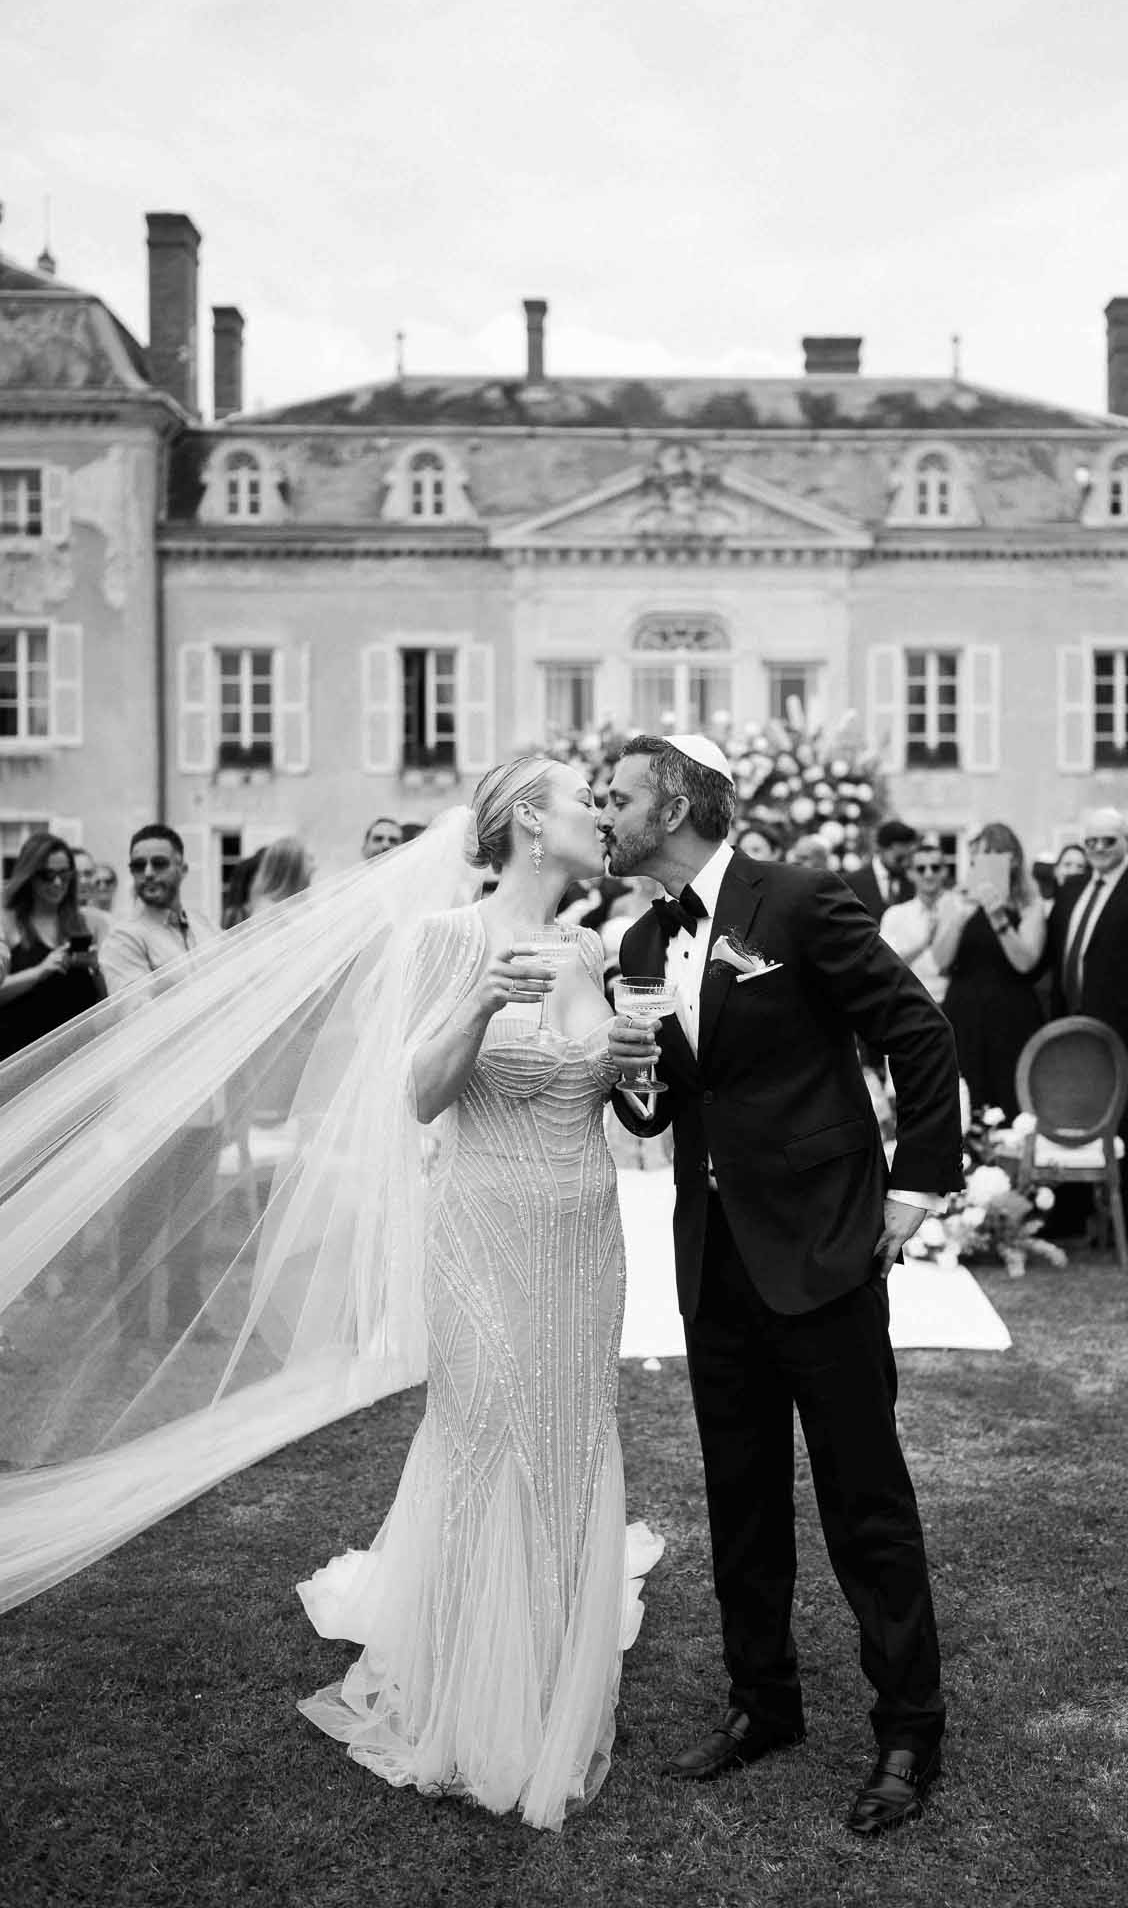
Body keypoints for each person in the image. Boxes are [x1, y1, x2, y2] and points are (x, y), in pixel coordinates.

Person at [602, 734, 962, 1840]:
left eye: (616, 797)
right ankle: (764, 1702)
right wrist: (632, 1068)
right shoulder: (641, 935)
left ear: (672, 806)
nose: (601, 812)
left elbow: (918, 1029)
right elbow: (659, 1113)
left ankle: (909, 1727)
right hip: (715, 1258)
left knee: (866, 1501)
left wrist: (918, 1188)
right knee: (740, 1497)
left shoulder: (800, 901)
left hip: (822, 1248)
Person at [297, 758, 661, 1830]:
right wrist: (477, 1000)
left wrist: (639, 1063)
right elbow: (416, 1095)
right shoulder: (445, 939)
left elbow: (625, 1102)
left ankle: (549, 1669)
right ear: (522, 825)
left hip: (584, 1230)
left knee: (563, 1432)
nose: (602, 816)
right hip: (482, 1223)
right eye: (580, 802)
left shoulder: (596, 947)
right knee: (486, 1423)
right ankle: (463, 1691)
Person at [101, 826, 222, 1342]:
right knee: (144, 1215)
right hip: (154, 1100)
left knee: (193, 1210)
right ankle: (131, 1322)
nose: (147, 874)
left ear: (181, 867)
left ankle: (183, 1311)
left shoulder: (205, 926)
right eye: (138, 866)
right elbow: (138, 1012)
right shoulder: (126, 938)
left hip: (208, 1095)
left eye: (158, 863)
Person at [1047, 808, 1128, 1237]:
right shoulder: (1071, 889)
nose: (1100, 849)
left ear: (1127, 841)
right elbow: (1059, 959)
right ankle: (1072, 1215)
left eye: (1109, 840)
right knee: (1075, 1121)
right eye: (1092, 842)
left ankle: (1126, 1227)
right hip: (1074, 1032)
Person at [929, 824, 1047, 1121]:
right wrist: (959, 917)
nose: (984, 865)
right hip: (964, 1011)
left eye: (994, 856)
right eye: (978, 858)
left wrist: (998, 917)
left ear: (1013, 860)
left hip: (1011, 1013)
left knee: (1011, 1102)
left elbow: (1025, 962)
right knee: (965, 1098)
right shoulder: (955, 901)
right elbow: (941, 960)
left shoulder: (1029, 904)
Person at [0, 833, 106, 1066]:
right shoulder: (7, 923)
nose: (58, 883)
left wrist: (96, 968)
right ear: (29, 876)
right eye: (48, 875)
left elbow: (108, 1001)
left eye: (65, 875)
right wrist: (41, 970)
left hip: (79, 1059)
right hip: (21, 1058)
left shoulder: (89, 922)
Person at [879, 838, 963, 1007]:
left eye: (935, 867)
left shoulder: (961, 909)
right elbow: (886, 967)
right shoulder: (895, 915)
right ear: (910, 873)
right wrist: (924, 943)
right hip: (911, 1005)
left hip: (957, 1003)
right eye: (921, 868)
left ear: (945, 871)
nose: (929, 874)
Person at [844, 818, 917, 922]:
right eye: (899, 858)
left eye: (909, 857)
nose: (905, 863)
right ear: (881, 848)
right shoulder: (851, 883)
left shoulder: (913, 881)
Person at [248, 836, 314, 912]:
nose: (314, 867)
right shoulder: (270, 911)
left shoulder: (296, 906)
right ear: (292, 869)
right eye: (309, 859)